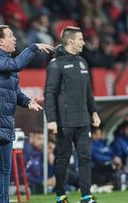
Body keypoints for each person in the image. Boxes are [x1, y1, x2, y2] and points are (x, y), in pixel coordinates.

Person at [0, 24, 53, 203]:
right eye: (11, 36)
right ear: (0, 41)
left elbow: (15, 93)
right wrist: (33, 47)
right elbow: (17, 64)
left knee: (5, 170)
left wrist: (27, 102)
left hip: (5, 121)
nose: (15, 39)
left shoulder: (6, 62)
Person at [44, 26, 101, 203]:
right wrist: (51, 119)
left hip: (83, 120)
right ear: (70, 41)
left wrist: (94, 112)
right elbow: (49, 93)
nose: (83, 42)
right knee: (63, 159)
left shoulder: (83, 62)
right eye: (80, 39)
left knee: (85, 158)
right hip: (64, 122)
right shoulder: (55, 64)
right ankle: (60, 196)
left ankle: (86, 196)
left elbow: (88, 91)